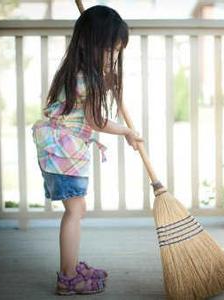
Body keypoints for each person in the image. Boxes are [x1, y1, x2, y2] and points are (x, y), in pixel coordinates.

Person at [31, 5, 143, 295]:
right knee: (75, 212)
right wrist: (127, 131)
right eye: (108, 50)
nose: (113, 57)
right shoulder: (84, 80)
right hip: (63, 155)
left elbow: (84, 114)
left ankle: (70, 265)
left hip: (61, 153)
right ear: (89, 44)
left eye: (117, 51)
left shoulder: (76, 73)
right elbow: (97, 120)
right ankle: (68, 277)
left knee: (76, 210)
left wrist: (105, 85)